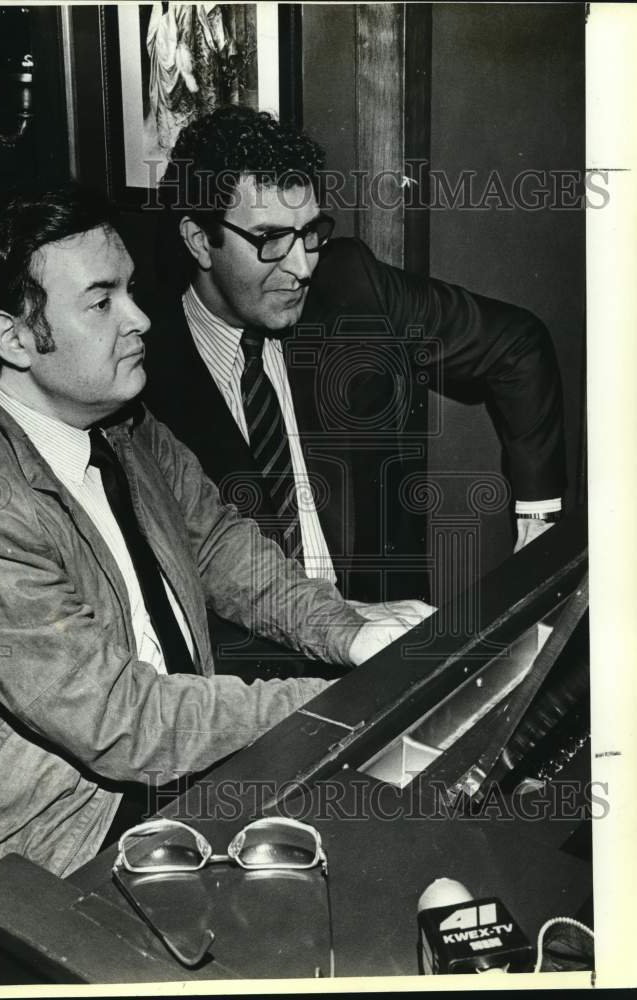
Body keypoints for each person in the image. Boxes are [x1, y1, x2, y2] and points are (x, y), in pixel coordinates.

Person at [0, 185, 433, 980]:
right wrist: (337, 702)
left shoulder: (119, 418)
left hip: (162, 774)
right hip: (45, 848)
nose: (140, 318)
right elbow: (124, 722)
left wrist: (350, 632)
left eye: (129, 288)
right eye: (101, 301)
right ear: (15, 339)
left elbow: (221, 546)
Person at [142, 106, 567, 668]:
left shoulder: (351, 286)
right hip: (252, 683)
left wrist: (537, 527)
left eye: (310, 233)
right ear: (200, 241)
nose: (301, 266)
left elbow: (518, 345)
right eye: (270, 239)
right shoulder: (138, 370)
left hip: (392, 647)